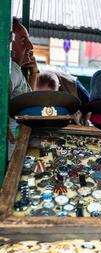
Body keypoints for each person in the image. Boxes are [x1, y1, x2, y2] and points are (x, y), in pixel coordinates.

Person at [8, 17, 39, 159]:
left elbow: (27, 101)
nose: (30, 46)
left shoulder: (16, 71)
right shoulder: (12, 69)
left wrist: (34, 74)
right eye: (22, 40)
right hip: (10, 156)